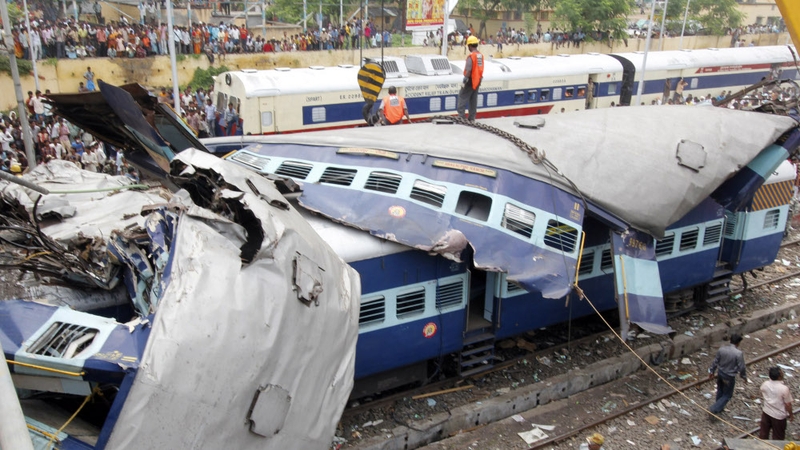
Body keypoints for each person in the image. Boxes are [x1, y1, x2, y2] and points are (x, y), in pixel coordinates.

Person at [708, 333, 746, 416]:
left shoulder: (722, 349)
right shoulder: (738, 353)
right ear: (738, 343)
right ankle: (715, 408)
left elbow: (715, 361)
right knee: (727, 394)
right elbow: (741, 367)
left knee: (720, 390)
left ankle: (719, 408)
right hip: (729, 376)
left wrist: (712, 371)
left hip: (720, 373)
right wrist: (744, 376)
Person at [759, 366, 793, 440]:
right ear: (779, 376)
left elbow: (762, 392)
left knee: (763, 435)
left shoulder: (765, 384)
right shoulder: (784, 389)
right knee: (778, 437)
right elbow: (788, 404)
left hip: (766, 412)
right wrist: (791, 414)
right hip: (779, 416)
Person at [457, 35, 484, 121]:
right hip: (478, 80)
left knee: (462, 96)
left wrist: (465, 79)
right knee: (473, 99)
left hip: (470, 80)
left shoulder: (471, 56)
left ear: (470, 45)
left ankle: (461, 117)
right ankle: (472, 118)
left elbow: (468, 69)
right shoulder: (480, 55)